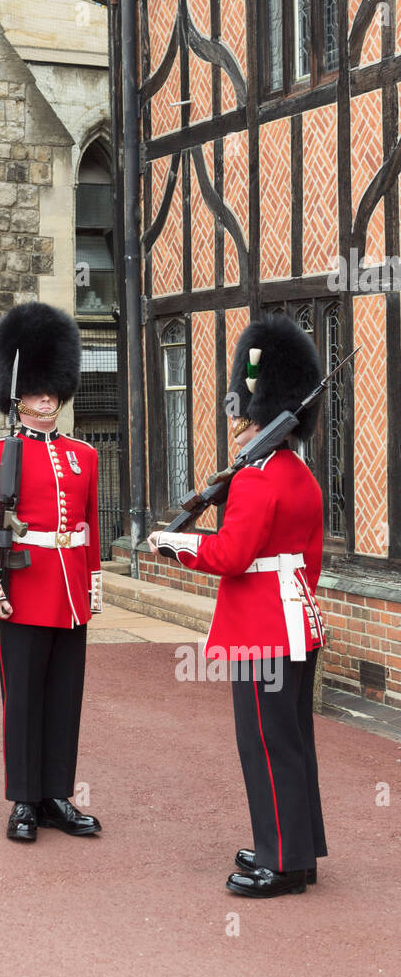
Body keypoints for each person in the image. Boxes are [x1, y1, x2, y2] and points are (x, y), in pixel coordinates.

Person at [148, 313, 328, 898]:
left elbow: (229, 555)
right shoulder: (299, 473)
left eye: (245, 417)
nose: (239, 428)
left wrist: (173, 543)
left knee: (264, 743)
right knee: (292, 739)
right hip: (299, 620)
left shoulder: (256, 479)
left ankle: (280, 865)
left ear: (262, 419)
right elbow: (311, 561)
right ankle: (296, 850)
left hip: (261, 628)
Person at [0, 301, 103, 842]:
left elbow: (87, 530)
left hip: (68, 600)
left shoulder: (83, 455)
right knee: (23, 703)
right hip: (23, 593)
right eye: (37, 391)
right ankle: (23, 799)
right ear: (18, 395)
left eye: (53, 391)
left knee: (64, 699)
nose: (46, 401)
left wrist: (90, 591)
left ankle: (56, 796)